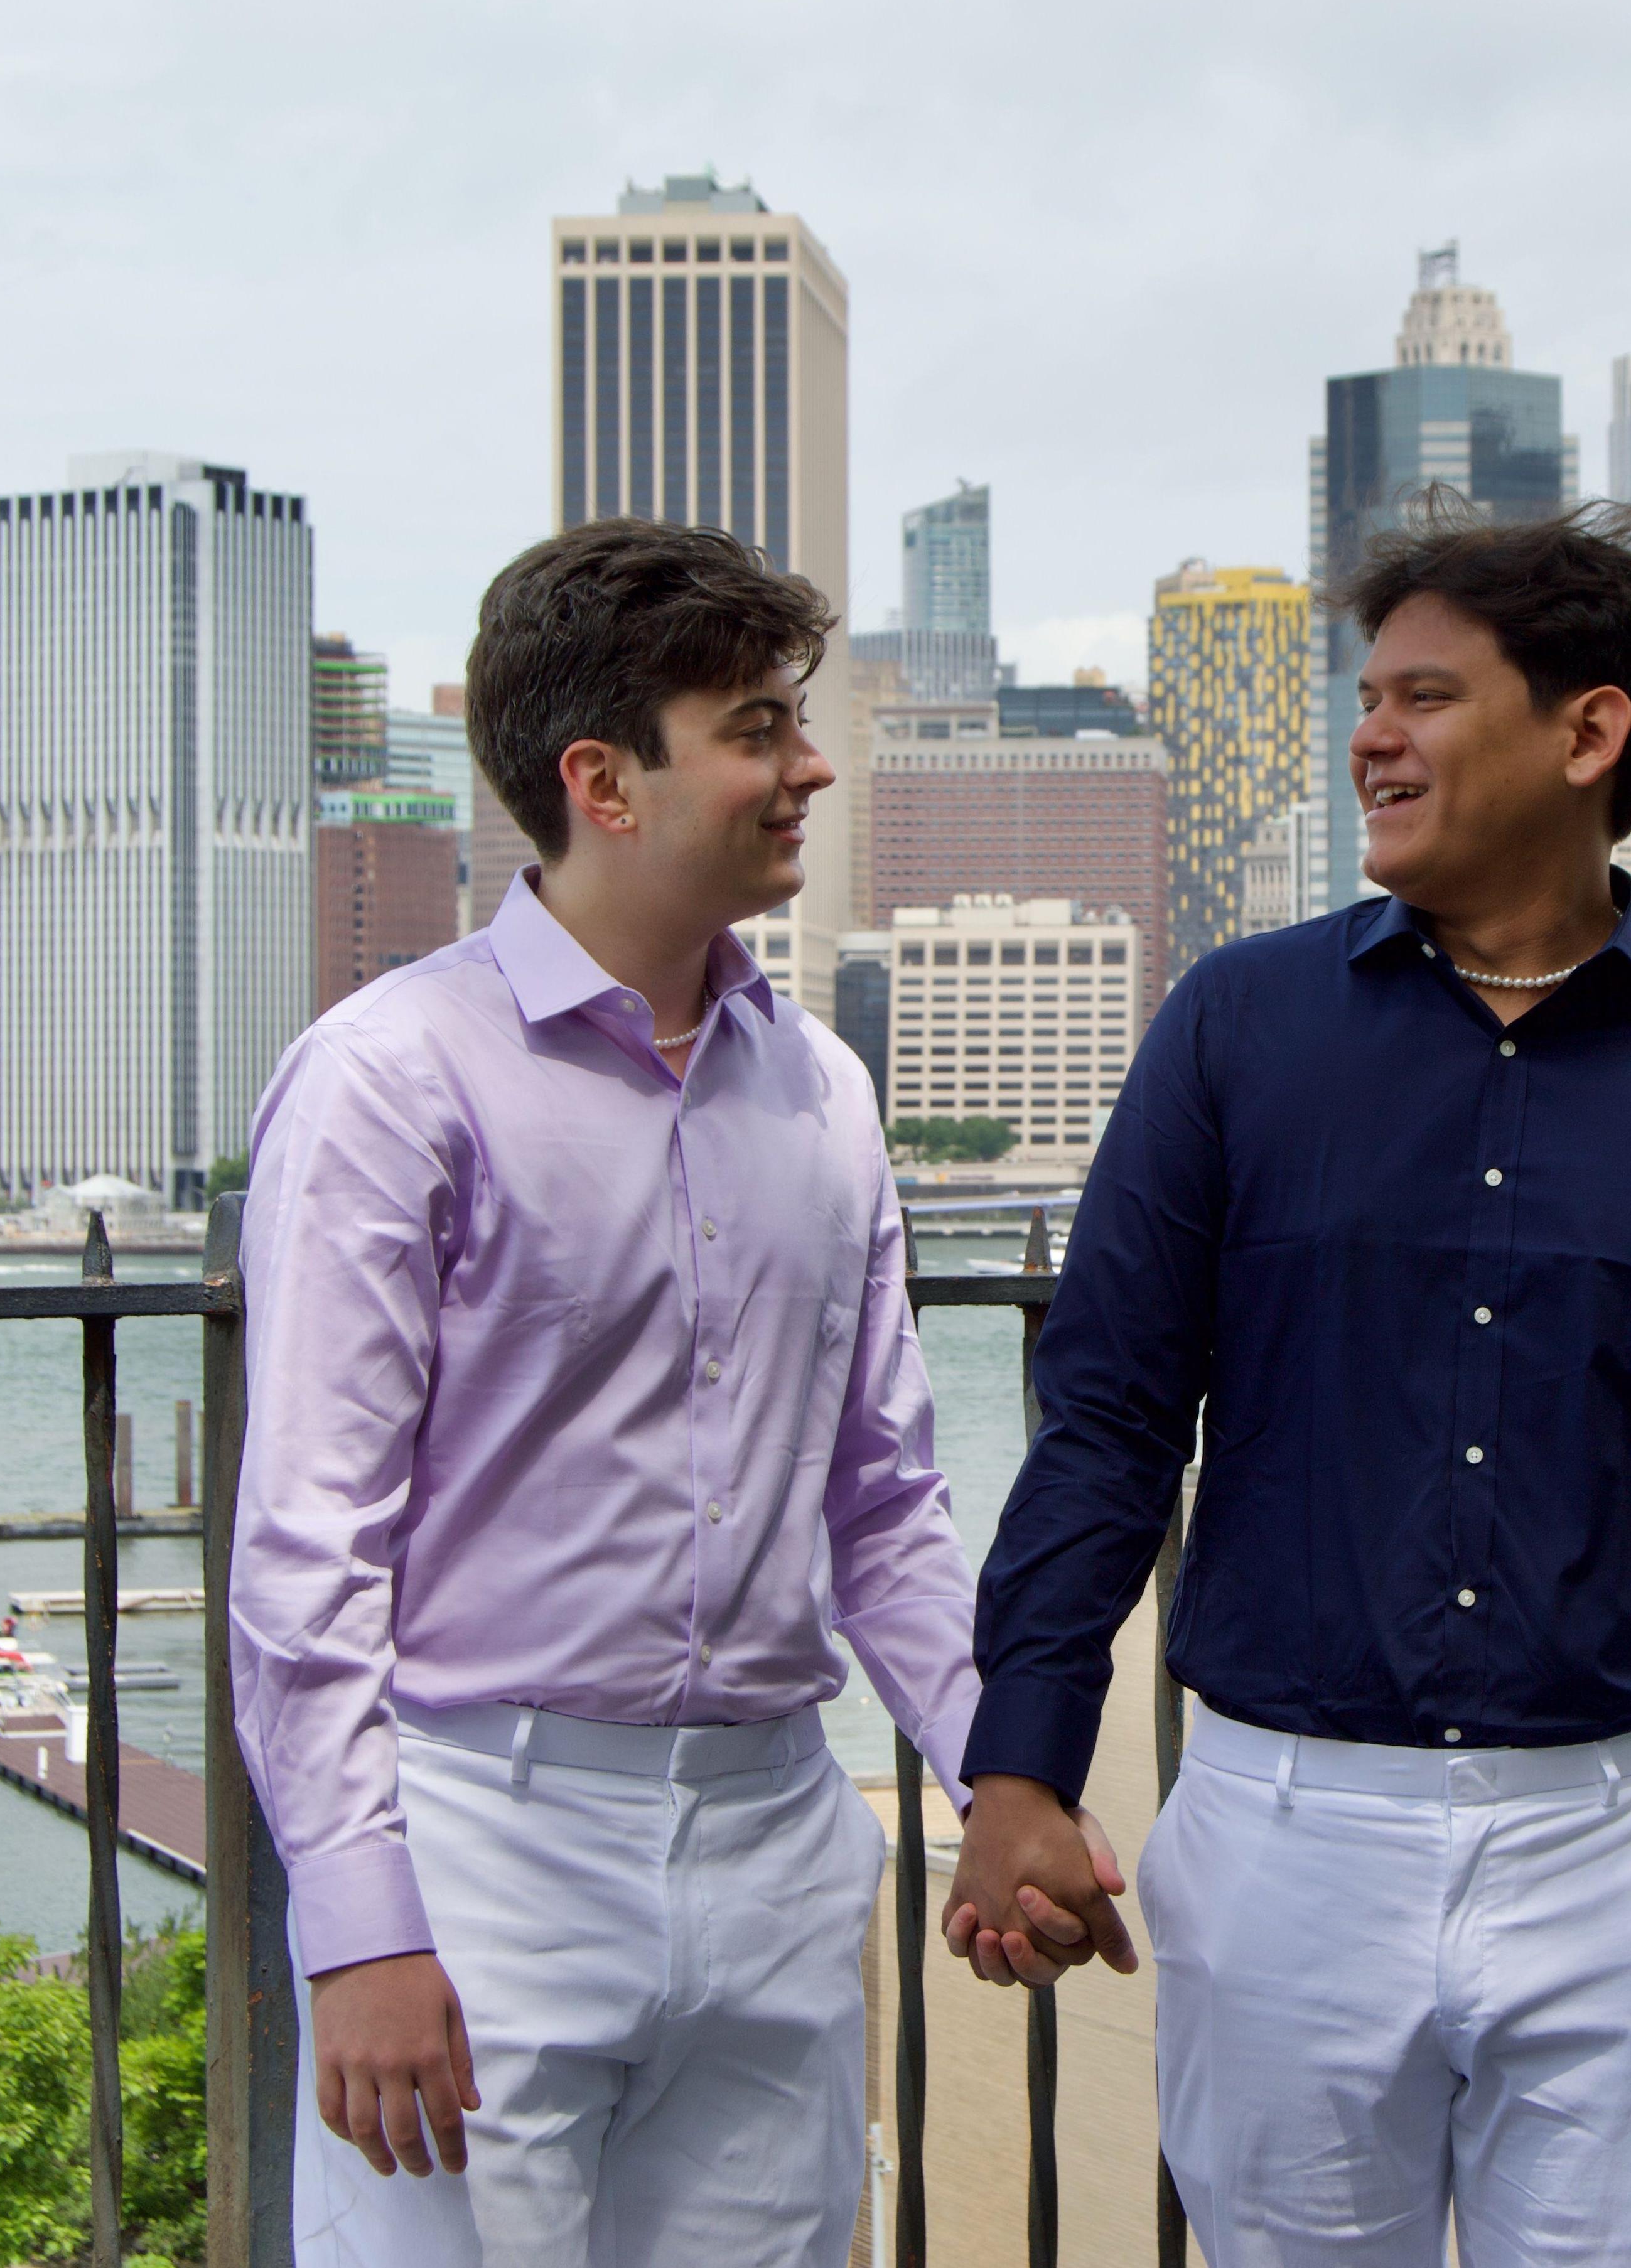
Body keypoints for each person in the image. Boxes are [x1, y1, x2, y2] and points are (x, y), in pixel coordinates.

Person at [944, 503, 1631, 2266]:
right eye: (1365, 694)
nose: (1368, 736)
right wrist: (1018, 1760)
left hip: (1627, 1848)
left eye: (1422, 695)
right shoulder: (1234, 1030)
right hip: (1282, 1836)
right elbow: (1105, 1417)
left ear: (1586, 730)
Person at [231, 519, 1043, 2266]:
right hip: (482, 1850)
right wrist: (357, 1924)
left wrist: (1005, 1772)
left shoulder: (823, 1089)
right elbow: (309, 1542)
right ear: (600, 778)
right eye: (755, 727)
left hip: (776, 1838)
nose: (807, 763)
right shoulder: (388, 1077)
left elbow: (887, 1505)